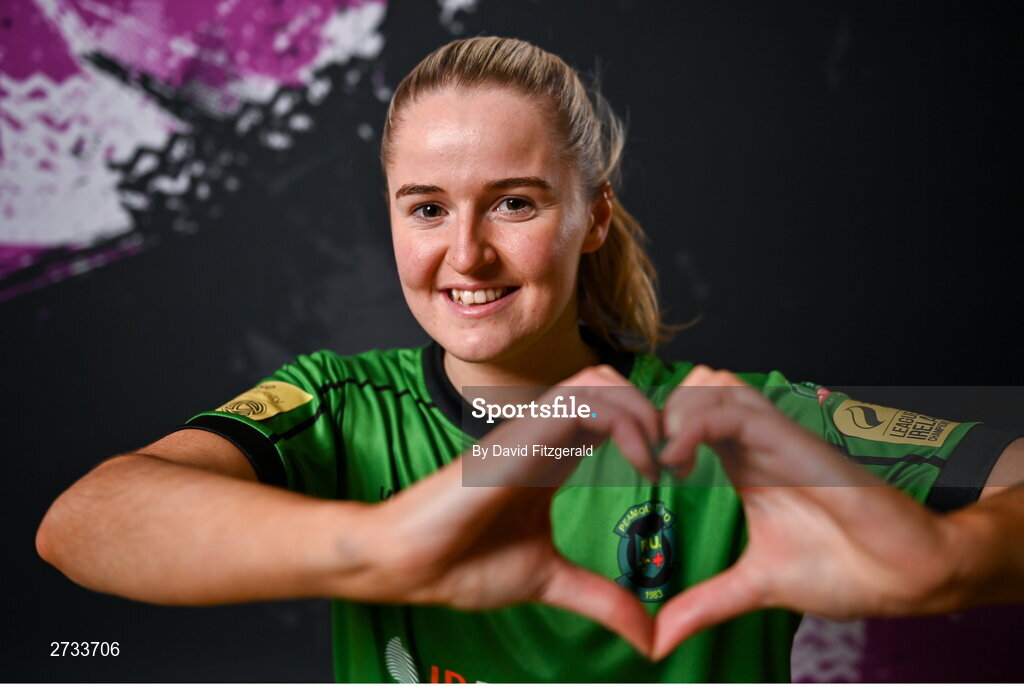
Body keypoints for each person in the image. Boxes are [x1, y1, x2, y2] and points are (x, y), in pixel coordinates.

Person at [36, 37, 1024, 682]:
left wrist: (944, 561)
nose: (463, 255)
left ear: (593, 214)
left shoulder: (733, 421)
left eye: (514, 201)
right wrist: (382, 543)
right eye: (426, 207)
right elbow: (85, 521)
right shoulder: (338, 403)